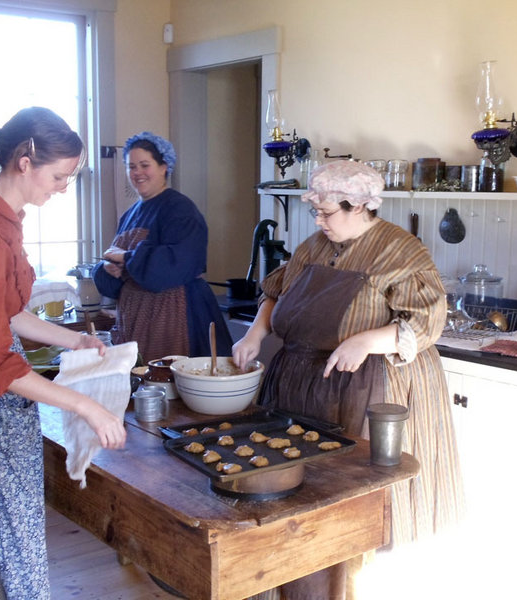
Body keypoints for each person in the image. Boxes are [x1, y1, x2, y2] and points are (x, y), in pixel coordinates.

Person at [0, 106, 126, 600]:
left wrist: (75, 339)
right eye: (59, 176)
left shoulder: (0, 217)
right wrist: (86, 405)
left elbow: (8, 314)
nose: (63, 186)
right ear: (25, 161)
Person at [232, 160, 464, 600]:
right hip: (301, 382)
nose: (318, 221)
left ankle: (343, 585)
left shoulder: (399, 251)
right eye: (315, 212)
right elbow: (276, 291)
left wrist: (366, 341)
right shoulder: (316, 245)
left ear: (358, 205)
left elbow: (426, 321)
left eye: (326, 212)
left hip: (360, 387)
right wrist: (255, 331)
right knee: (294, 501)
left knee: (347, 505)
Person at [92, 131, 232, 362]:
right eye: (131, 166)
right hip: (134, 317)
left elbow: (174, 266)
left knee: (171, 385)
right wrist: (107, 270)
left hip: (176, 316)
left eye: (144, 165)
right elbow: (113, 276)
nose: (137, 173)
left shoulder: (181, 210)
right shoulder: (130, 214)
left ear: (164, 167)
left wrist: (127, 259)